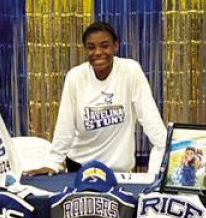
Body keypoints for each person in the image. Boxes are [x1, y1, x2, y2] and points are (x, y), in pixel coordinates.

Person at [26, 22, 167, 176]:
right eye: (91, 47)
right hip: (80, 168)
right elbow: (65, 125)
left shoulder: (130, 71)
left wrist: (164, 160)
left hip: (118, 171)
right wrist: (53, 162)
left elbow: (150, 118)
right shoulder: (75, 77)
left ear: (116, 46)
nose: (98, 52)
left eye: (104, 46)